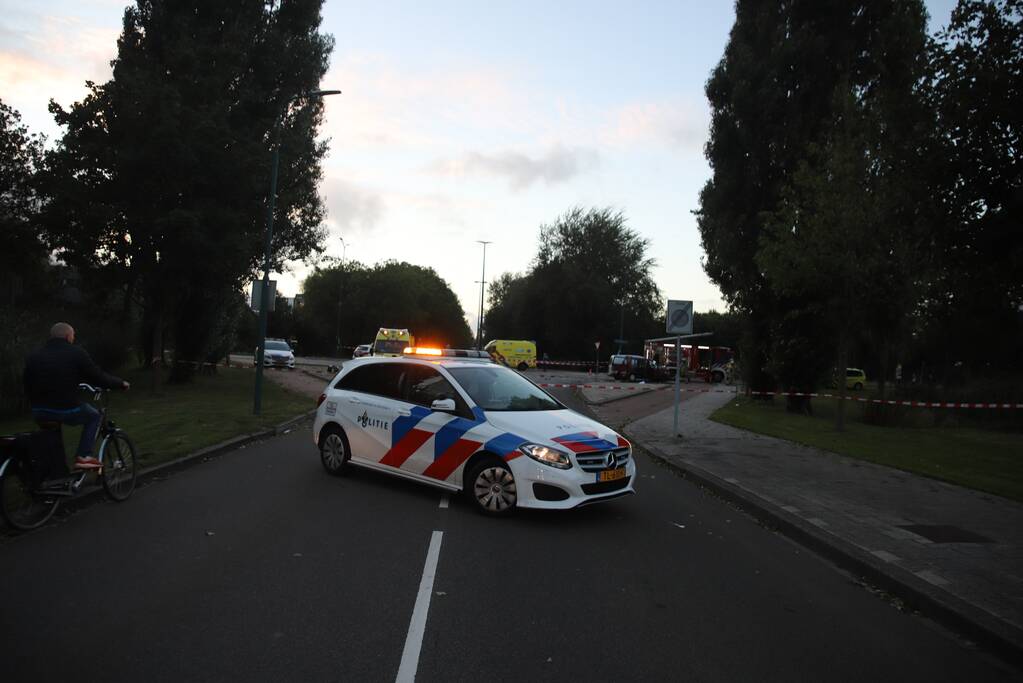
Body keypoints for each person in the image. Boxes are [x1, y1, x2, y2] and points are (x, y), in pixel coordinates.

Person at [23, 323, 129, 469]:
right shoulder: (76, 352)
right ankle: (84, 456)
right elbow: (97, 376)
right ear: (68, 336)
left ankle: (56, 473)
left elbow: (27, 382)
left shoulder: (35, 355)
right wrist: (120, 383)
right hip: (65, 408)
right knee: (94, 416)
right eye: (73, 335)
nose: (73, 338)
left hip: (39, 410)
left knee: (52, 436)